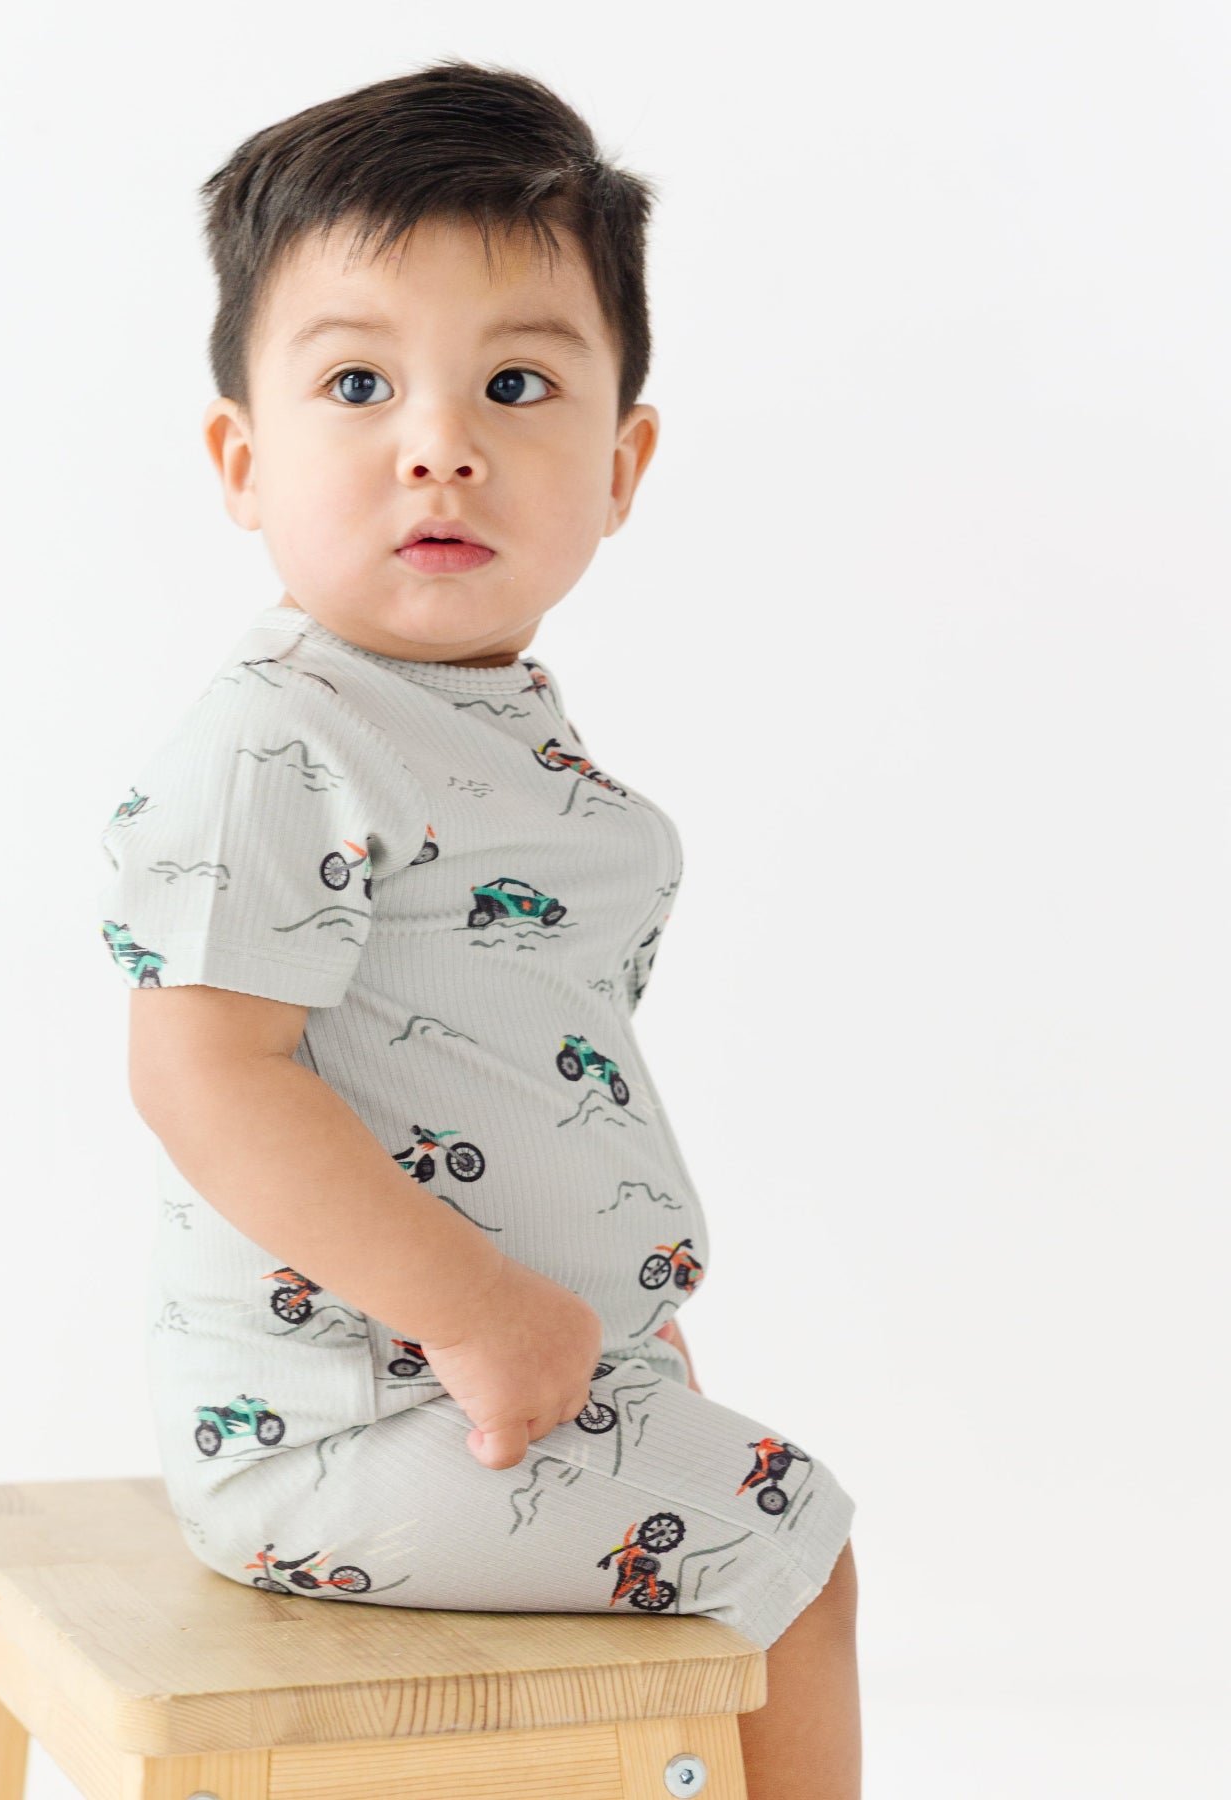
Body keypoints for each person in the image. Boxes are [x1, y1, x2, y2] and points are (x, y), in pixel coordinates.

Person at [92, 58, 861, 1800]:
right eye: (358, 383)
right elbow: (203, 1071)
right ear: (241, 457)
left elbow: (512, 1060)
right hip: (336, 1423)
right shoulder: (277, 738)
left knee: (704, 1587)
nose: (438, 441)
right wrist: (483, 1313)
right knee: (787, 1543)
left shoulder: (488, 723)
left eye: (516, 384)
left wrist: (595, 1305)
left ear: (621, 462)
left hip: (484, 1369)